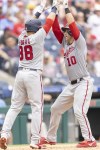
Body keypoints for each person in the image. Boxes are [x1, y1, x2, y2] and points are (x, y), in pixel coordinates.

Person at [38, 0, 97, 148]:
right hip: (71, 85)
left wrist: (65, 7)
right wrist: (55, 11)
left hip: (83, 82)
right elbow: (56, 29)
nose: (65, 33)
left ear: (73, 33)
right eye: (65, 31)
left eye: (67, 31)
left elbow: (73, 26)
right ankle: (51, 138)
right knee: (55, 109)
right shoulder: (65, 42)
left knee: (79, 111)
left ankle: (90, 140)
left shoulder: (79, 41)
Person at [0, 0, 58, 149]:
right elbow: (49, 22)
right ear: (36, 29)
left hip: (20, 75)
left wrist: (41, 9)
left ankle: (4, 134)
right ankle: (35, 141)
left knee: (14, 107)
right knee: (37, 107)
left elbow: (31, 23)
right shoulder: (37, 37)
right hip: (33, 75)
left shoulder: (21, 37)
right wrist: (55, 7)